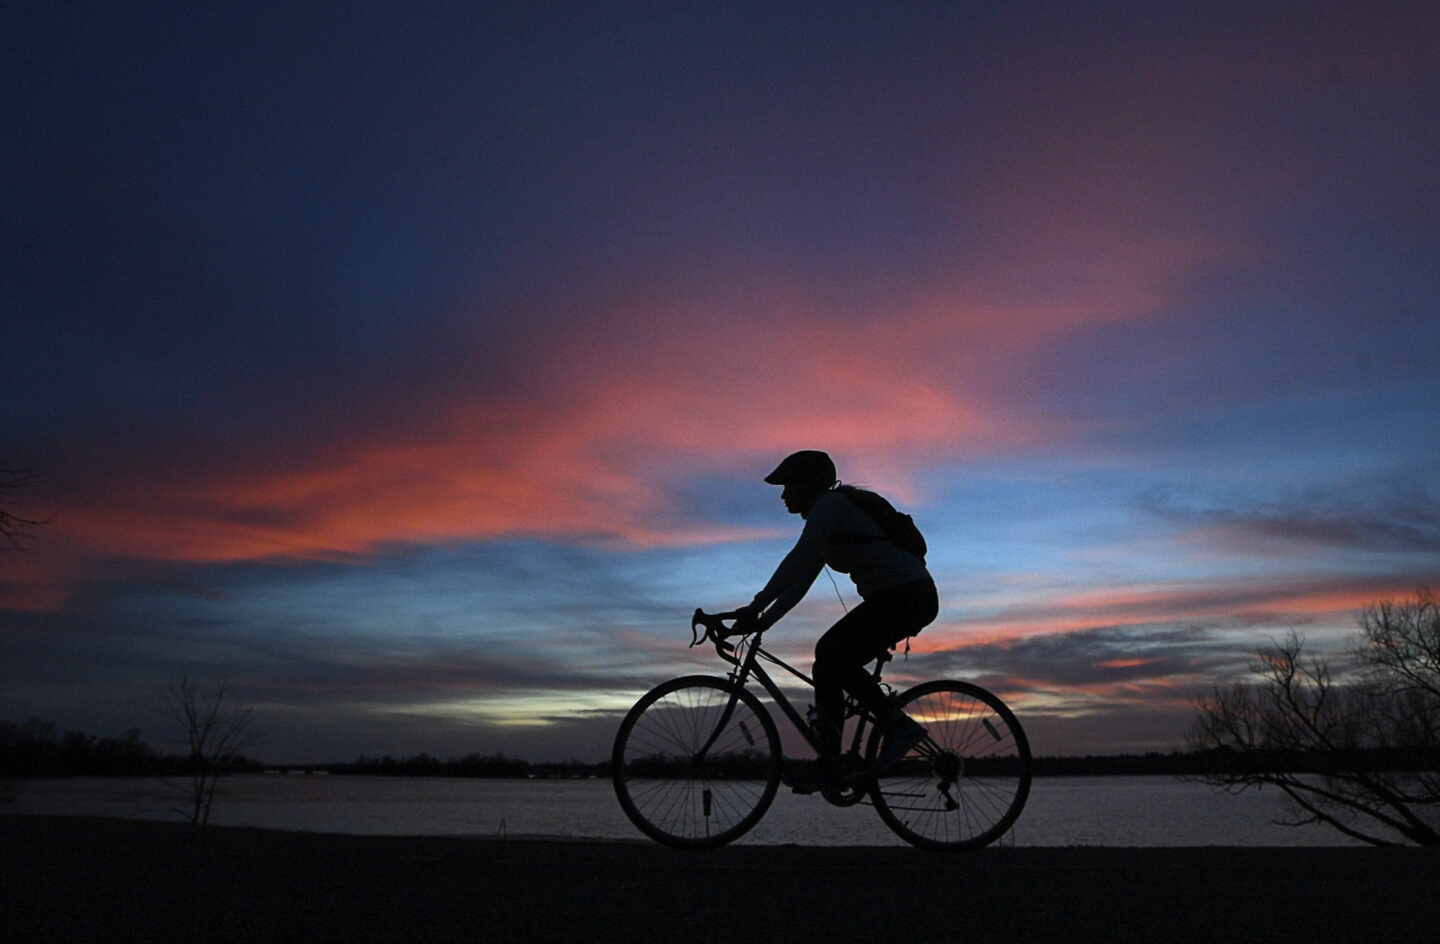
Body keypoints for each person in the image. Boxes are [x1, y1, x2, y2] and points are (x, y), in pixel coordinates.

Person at [732, 450, 938, 791]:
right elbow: (799, 582)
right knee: (831, 660)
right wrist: (763, 621)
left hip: (906, 596)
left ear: (808, 484)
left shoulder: (830, 507)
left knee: (830, 655)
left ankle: (891, 732)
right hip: (901, 597)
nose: (784, 495)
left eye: (788, 486)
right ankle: (836, 760)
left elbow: (796, 560)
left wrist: (754, 607)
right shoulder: (827, 519)